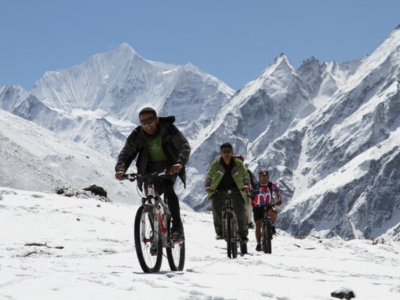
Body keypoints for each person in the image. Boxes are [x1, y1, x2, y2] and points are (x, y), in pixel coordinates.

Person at [115, 107, 190, 239]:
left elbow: (183, 145)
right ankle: (155, 236)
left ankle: (177, 226)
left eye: (149, 121)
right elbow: (126, 153)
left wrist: (179, 163)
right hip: (148, 169)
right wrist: (121, 169)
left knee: (168, 188)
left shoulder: (168, 129)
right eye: (143, 122)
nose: (147, 125)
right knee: (150, 199)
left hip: (170, 166)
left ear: (156, 120)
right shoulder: (137, 134)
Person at [205, 143, 250, 246]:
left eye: (228, 151)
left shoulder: (238, 163)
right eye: (224, 151)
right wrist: (208, 186)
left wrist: (246, 185)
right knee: (216, 207)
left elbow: (245, 174)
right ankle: (220, 232)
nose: (226, 153)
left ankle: (243, 235)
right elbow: (210, 175)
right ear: (220, 153)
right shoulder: (216, 163)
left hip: (237, 189)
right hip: (219, 189)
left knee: (240, 211)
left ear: (232, 152)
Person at [252, 168, 282, 251]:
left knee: (274, 212)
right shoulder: (256, 185)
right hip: (257, 207)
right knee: (258, 225)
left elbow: (277, 192)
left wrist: (279, 199)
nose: (264, 178)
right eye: (262, 176)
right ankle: (258, 244)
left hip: (268, 205)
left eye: (265, 176)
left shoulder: (271, 185)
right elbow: (250, 192)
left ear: (268, 177)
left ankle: (272, 226)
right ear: (259, 177)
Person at [233, 154, 257, 229]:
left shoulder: (247, 172)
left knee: (248, 205)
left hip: (245, 192)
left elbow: (253, 183)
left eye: (239, 161)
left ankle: (249, 222)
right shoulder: (229, 171)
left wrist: (254, 191)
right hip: (232, 192)